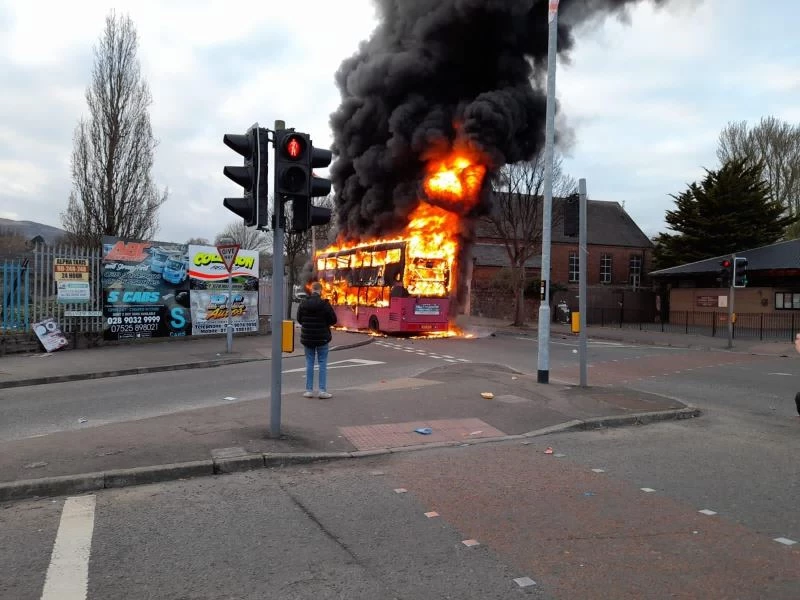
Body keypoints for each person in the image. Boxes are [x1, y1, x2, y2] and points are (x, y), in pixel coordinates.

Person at [297, 281, 337, 399]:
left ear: (311, 290)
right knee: (322, 363)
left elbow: (299, 319)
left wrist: (307, 325)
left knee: (309, 362)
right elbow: (333, 320)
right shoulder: (325, 304)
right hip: (322, 338)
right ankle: (322, 391)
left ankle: (309, 391)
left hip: (308, 338)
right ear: (321, 291)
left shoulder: (303, 303)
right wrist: (325, 324)